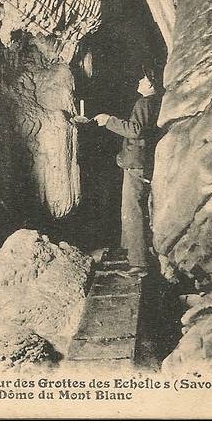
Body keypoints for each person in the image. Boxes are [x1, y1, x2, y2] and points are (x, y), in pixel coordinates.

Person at [77, 67, 162, 277]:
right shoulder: (157, 102)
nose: (139, 80)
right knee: (139, 209)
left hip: (136, 164)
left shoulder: (144, 102)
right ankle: (132, 253)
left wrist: (109, 121)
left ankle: (138, 263)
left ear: (150, 83)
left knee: (132, 211)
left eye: (143, 78)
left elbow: (135, 130)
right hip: (145, 162)